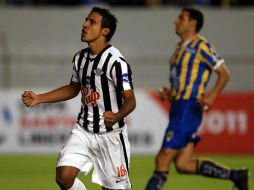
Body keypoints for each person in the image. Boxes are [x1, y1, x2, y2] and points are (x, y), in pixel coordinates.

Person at [22, 7, 136, 190]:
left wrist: (117, 115)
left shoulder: (116, 62)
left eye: (92, 22)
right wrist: (39, 98)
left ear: (104, 31)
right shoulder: (80, 58)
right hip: (83, 131)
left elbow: (130, 100)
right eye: (86, 20)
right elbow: (73, 88)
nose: (84, 25)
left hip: (111, 136)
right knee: (64, 177)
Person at [145, 7, 249, 190]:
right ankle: (237, 176)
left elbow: (224, 73)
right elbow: (183, 81)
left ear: (192, 23)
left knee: (163, 157)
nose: (176, 21)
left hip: (188, 108)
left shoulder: (201, 46)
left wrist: (213, 94)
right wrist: (170, 93)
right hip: (178, 106)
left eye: (181, 18)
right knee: (183, 164)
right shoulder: (179, 49)